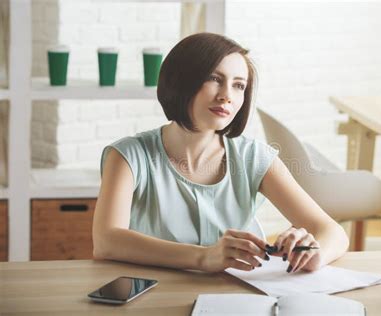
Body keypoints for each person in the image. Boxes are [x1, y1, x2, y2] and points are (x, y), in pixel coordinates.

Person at [93, 33, 349, 274]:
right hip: (155, 295)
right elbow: (107, 241)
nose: (227, 95)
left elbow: (332, 232)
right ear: (181, 81)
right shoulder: (127, 156)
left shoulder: (255, 157)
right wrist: (204, 257)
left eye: (239, 86)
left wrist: (315, 253)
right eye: (215, 79)